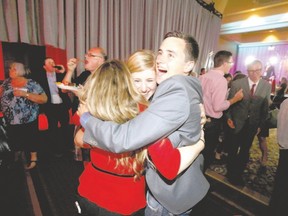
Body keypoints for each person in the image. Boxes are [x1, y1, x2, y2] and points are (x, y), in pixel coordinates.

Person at [78, 31, 209, 215]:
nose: (144, 87)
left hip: (133, 197)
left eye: (150, 80)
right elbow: (80, 138)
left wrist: (199, 142)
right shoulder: (115, 103)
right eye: (136, 80)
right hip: (99, 191)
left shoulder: (155, 110)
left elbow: (167, 163)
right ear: (126, 79)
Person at [225, 59, 271, 186]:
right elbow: (229, 103)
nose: (254, 73)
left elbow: (265, 108)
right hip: (236, 122)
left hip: (253, 125)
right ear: (247, 71)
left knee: (245, 150)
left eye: (257, 71)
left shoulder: (266, 86)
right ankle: (230, 172)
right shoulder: (237, 83)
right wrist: (229, 118)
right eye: (251, 71)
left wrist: (261, 125)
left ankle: (238, 174)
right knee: (233, 149)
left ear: (261, 71)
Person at [199, 50, 243, 170]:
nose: (231, 66)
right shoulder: (221, 80)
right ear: (224, 63)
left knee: (198, 152)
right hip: (212, 123)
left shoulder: (202, 77)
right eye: (231, 63)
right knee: (207, 154)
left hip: (199, 119)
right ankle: (200, 183)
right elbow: (218, 107)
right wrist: (235, 99)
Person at [0, 62, 47, 169]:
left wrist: (25, 94)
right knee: (14, 137)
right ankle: (18, 155)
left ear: (20, 71)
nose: (10, 70)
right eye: (10, 69)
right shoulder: (7, 82)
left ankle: (33, 158)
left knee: (31, 138)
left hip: (28, 117)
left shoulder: (31, 83)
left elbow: (44, 99)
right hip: (11, 118)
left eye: (13, 69)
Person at [37, 57, 72, 157]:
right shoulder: (40, 78)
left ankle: (69, 147)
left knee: (65, 126)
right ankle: (56, 149)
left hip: (62, 105)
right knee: (53, 128)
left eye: (53, 61)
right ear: (44, 66)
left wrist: (64, 72)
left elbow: (70, 85)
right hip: (50, 106)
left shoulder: (60, 75)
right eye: (49, 62)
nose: (52, 63)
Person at [269, 98, 288, 215]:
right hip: (286, 148)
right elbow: (282, 128)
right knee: (282, 184)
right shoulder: (286, 103)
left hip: (284, 147)